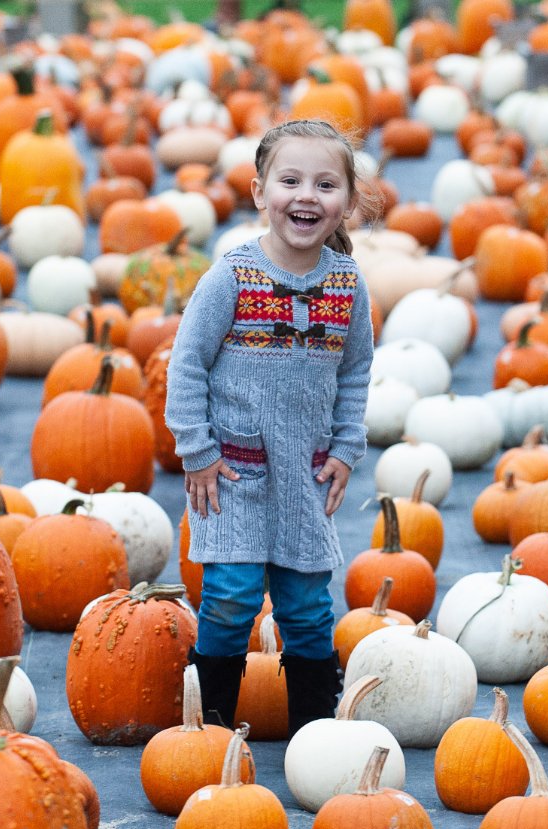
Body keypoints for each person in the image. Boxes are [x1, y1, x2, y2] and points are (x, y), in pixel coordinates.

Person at [164, 119, 374, 735]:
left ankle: (317, 735)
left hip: (306, 475)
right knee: (229, 599)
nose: (307, 195)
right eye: (290, 180)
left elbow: (357, 369)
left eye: (325, 184)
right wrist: (197, 451)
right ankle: (206, 731)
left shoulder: (347, 285)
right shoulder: (232, 276)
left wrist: (345, 445)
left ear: (346, 201)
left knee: (307, 607)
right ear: (260, 193)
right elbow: (187, 365)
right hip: (233, 472)